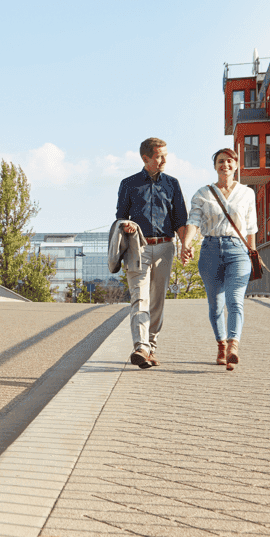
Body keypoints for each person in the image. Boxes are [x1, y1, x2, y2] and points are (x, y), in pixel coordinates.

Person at [180, 148, 257, 371]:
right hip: (210, 250)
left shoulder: (247, 193)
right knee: (216, 305)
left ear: (236, 165)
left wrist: (252, 254)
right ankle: (221, 345)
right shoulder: (203, 193)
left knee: (235, 300)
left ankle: (234, 346)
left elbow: (251, 227)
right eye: (221, 161)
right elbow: (193, 221)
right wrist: (186, 242)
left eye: (230, 161)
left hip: (237, 251)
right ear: (215, 166)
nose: (225, 165)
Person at [115, 137, 189, 368]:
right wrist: (125, 225)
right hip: (139, 247)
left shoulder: (172, 184)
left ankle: (151, 346)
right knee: (139, 297)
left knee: (157, 301)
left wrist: (186, 245)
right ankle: (141, 347)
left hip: (166, 247)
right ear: (145, 159)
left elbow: (181, 220)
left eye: (165, 154)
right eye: (159, 156)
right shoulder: (128, 184)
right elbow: (120, 216)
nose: (164, 160)